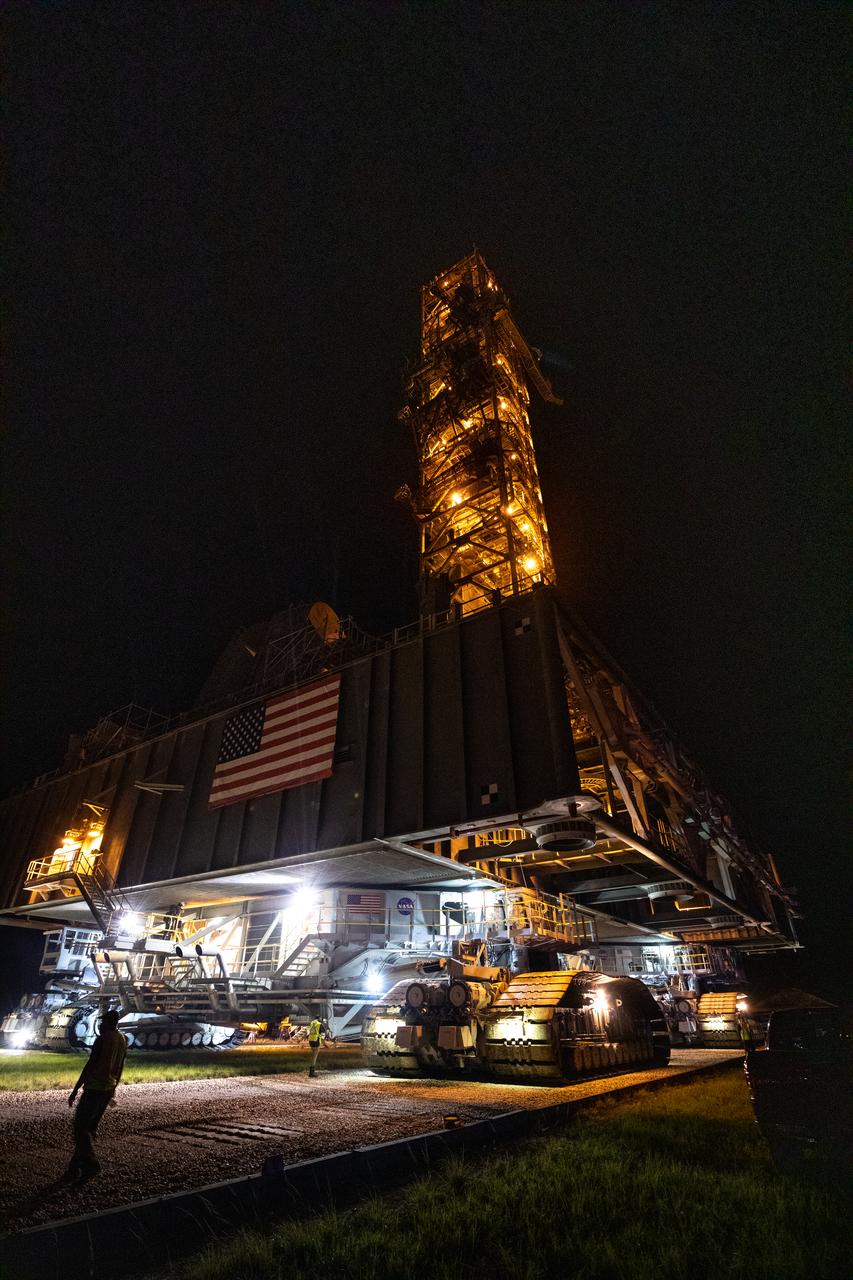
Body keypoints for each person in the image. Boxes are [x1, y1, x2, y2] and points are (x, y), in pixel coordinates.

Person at [64, 1009, 127, 1182]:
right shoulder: (122, 1039)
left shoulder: (103, 1039)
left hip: (94, 1088)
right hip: (108, 1089)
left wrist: (76, 1088)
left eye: (103, 1022)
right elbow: (120, 1066)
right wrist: (114, 1087)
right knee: (88, 1129)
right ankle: (75, 1167)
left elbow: (91, 1064)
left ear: (108, 1023)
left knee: (80, 1128)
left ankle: (91, 1163)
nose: (100, 1024)